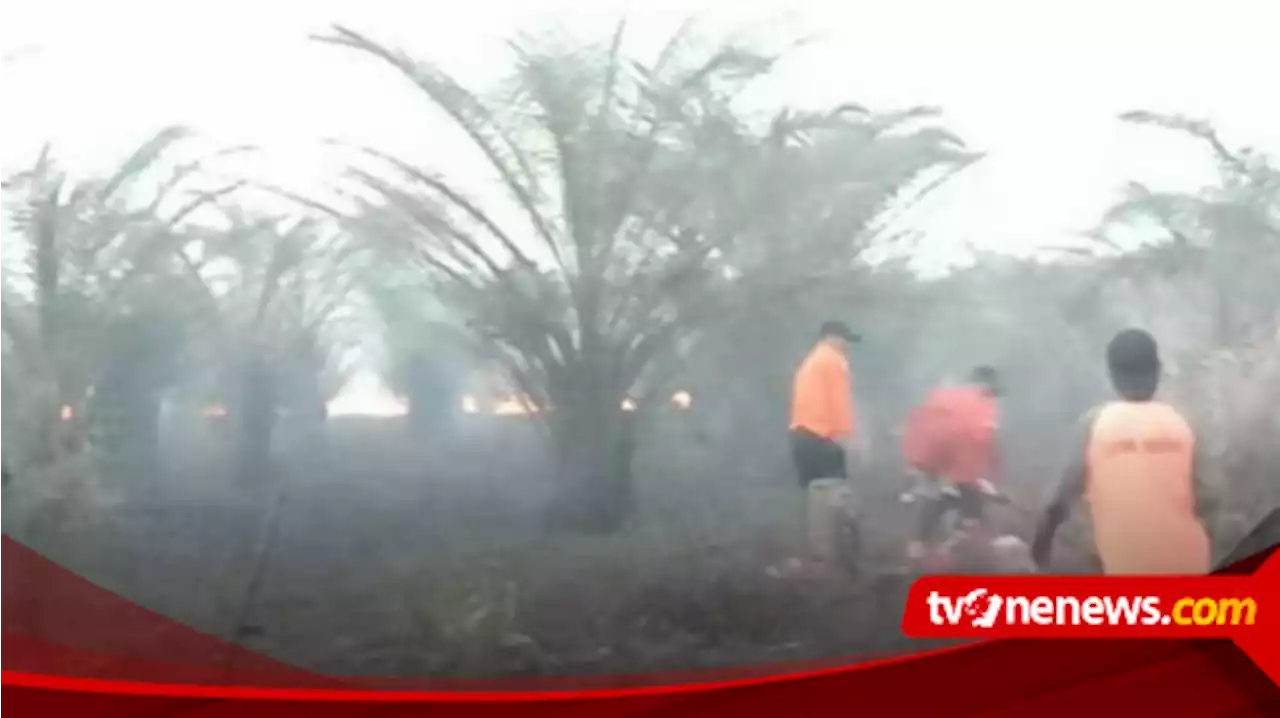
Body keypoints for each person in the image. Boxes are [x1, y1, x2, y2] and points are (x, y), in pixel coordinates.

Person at [1031, 328, 1219, 575]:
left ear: (1112, 375)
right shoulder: (1184, 423)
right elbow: (1212, 503)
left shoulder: (1094, 424)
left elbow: (1057, 505)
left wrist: (1039, 550)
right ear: (1158, 371)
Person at [900, 365, 1003, 561]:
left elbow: (920, 425)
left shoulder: (947, 396)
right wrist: (984, 477)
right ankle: (964, 545)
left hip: (929, 457)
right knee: (967, 502)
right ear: (989, 387)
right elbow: (982, 439)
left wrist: (917, 463)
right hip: (952, 460)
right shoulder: (982, 404)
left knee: (937, 497)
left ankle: (919, 547)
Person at [788, 321, 863, 487]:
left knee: (814, 495)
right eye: (846, 340)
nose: (848, 346)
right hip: (821, 438)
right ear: (832, 338)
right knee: (835, 495)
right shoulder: (834, 360)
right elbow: (840, 402)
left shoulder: (811, 361)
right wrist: (848, 439)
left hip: (801, 437)